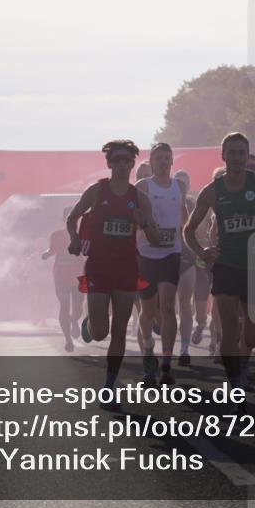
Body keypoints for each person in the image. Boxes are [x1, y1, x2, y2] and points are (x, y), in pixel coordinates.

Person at [182, 133, 255, 398]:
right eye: (232, 152)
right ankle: (235, 381)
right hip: (226, 265)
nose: (237, 157)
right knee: (229, 328)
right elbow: (189, 230)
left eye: (242, 153)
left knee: (251, 336)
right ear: (223, 156)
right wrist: (202, 252)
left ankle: (242, 360)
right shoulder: (212, 190)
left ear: (247, 156)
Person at [71, 139, 160, 411]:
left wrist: (142, 220)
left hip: (126, 268)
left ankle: (109, 386)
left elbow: (155, 238)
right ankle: (90, 322)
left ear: (133, 164)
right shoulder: (96, 191)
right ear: (109, 163)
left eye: (127, 160)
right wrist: (75, 239)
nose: (123, 164)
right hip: (98, 266)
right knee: (100, 333)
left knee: (120, 328)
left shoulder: (139, 198)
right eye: (117, 159)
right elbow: (71, 217)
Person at [135, 143, 188, 385]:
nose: (164, 162)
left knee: (168, 306)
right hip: (145, 255)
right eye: (159, 159)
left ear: (172, 161)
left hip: (171, 253)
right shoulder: (143, 186)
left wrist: (190, 241)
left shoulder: (180, 186)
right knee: (147, 311)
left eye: (168, 158)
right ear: (152, 162)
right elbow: (133, 218)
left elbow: (183, 216)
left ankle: (166, 363)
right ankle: (148, 351)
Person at [42, 207, 87, 351]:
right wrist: (47, 254)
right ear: (64, 220)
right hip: (61, 277)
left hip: (80, 276)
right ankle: (68, 340)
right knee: (64, 306)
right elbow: (51, 249)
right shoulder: (57, 235)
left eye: (76, 217)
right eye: (70, 218)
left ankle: (74, 321)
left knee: (78, 307)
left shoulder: (84, 235)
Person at [174, 170, 206, 366]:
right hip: (165, 256)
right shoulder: (165, 199)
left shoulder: (193, 204)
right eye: (178, 183)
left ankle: (184, 348)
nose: (181, 186)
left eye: (184, 183)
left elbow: (200, 231)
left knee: (186, 303)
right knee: (169, 305)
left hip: (188, 257)